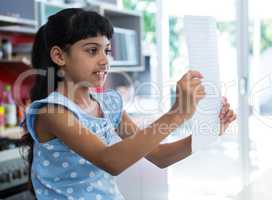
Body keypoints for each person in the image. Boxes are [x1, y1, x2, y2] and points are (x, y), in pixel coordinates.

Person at [21, 8, 236, 200]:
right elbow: (111, 161)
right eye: (92, 50)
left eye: (106, 50)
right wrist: (177, 114)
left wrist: (207, 132)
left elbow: (159, 156)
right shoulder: (53, 112)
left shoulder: (109, 105)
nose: (105, 60)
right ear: (59, 56)